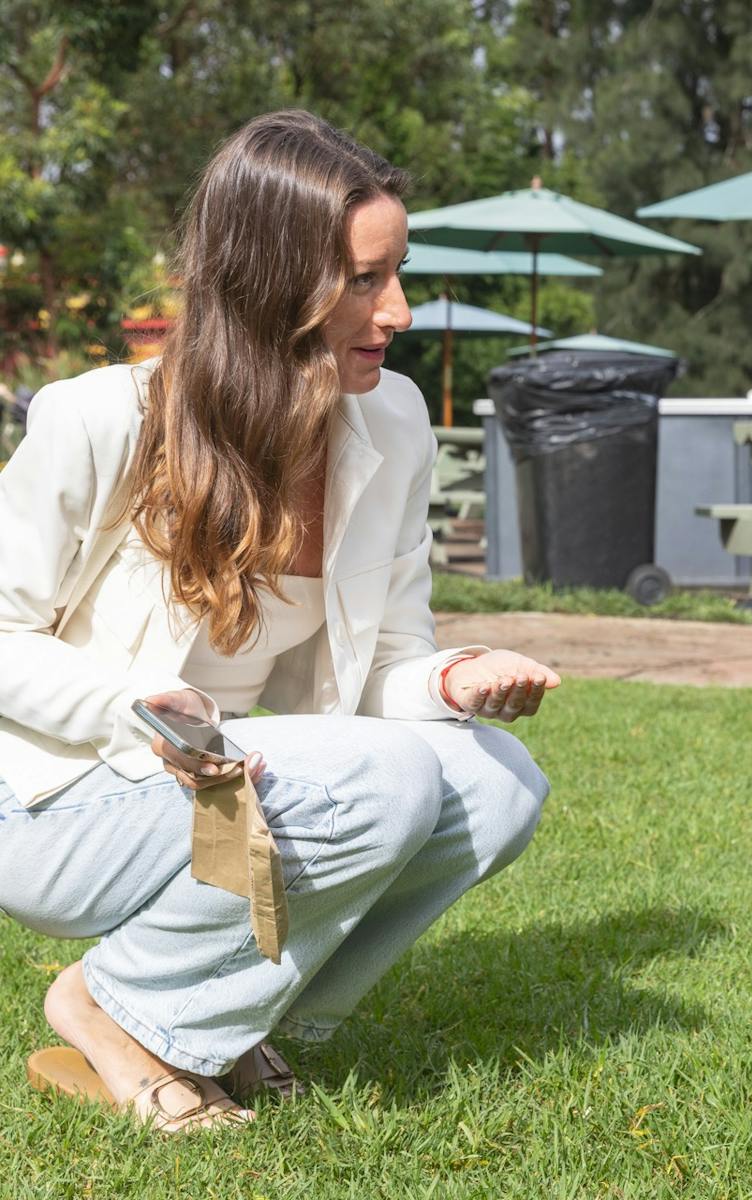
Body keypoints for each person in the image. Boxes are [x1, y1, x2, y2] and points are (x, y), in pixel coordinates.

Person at [0, 110, 559, 1132]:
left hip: (231, 777)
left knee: (498, 782)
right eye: (361, 280)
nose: (397, 311)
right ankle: (110, 1009)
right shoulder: (99, 420)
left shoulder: (393, 421)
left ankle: (226, 1015)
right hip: (55, 801)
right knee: (390, 775)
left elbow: (383, 663)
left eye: (397, 272)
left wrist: (446, 680)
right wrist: (139, 708)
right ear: (268, 287)